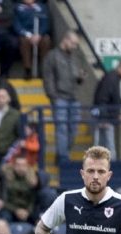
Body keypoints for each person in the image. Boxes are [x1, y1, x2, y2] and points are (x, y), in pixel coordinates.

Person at [42, 31, 84, 162]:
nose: (75, 46)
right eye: (73, 43)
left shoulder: (74, 57)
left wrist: (81, 77)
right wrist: (53, 96)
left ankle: (62, 153)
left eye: (76, 44)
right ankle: (63, 158)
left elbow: (77, 77)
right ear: (65, 40)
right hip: (60, 97)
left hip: (73, 97)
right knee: (62, 129)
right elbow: (48, 78)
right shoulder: (52, 56)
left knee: (74, 130)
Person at [91, 59, 121, 156]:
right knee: (107, 145)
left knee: (104, 145)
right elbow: (102, 98)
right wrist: (107, 117)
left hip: (106, 115)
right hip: (105, 117)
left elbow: (114, 98)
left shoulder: (112, 77)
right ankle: (108, 166)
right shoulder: (112, 78)